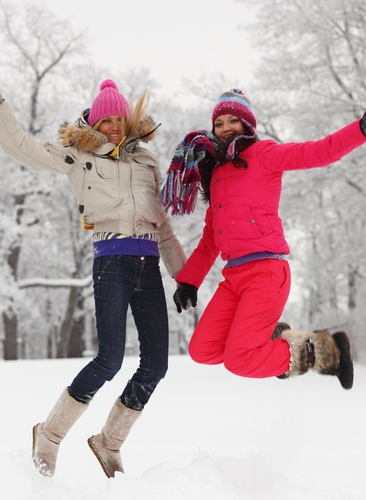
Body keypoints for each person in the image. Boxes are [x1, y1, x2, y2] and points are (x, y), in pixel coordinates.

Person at [0, 79, 186, 478]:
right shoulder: (79, 156)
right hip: (112, 263)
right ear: (95, 122)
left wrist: (183, 277)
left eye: (119, 118)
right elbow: (24, 149)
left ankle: (108, 442)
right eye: (106, 120)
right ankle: (48, 435)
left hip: (149, 265)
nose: (113, 126)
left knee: (156, 364)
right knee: (110, 359)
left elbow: (164, 226)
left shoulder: (147, 161)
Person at [161, 88, 366, 391]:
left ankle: (325, 350)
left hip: (266, 271)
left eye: (233, 120)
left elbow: (317, 152)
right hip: (234, 278)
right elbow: (210, 239)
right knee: (202, 350)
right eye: (219, 123)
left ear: (247, 125)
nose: (225, 128)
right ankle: (274, 336)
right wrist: (189, 281)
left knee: (239, 360)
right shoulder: (216, 174)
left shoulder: (264, 154)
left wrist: (359, 130)